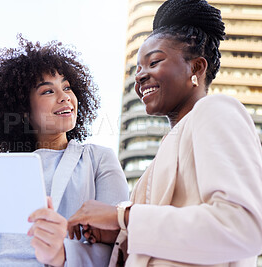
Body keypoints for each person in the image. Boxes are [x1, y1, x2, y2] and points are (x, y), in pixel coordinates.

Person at [67, 0, 262, 266]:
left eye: (154, 62)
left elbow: (243, 227)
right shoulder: (157, 163)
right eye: (137, 69)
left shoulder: (216, 110)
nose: (139, 76)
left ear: (196, 68)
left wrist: (123, 217)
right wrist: (116, 237)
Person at [0, 35, 129, 267]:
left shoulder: (98, 159)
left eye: (67, 87)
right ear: (24, 110)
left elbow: (119, 246)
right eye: (48, 91)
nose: (65, 97)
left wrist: (63, 254)